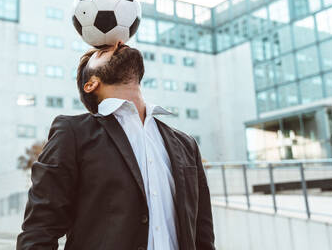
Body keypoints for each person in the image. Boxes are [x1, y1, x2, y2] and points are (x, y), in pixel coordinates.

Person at [16, 41, 215, 250]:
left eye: (121, 43)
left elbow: (203, 234)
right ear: (91, 84)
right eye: (103, 51)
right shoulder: (72, 133)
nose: (118, 42)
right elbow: (39, 230)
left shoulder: (186, 144)